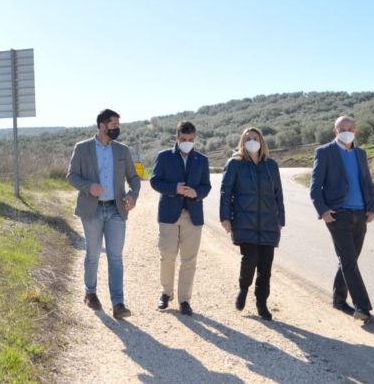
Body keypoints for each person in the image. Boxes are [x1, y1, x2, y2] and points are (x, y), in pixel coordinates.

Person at [67, 108, 141, 319]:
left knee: (115, 257)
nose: (117, 129)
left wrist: (133, 195)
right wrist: (88, 186)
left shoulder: (122, 150)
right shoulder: (82, 149)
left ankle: (118, 303)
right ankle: (90, 293)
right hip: (92, 210)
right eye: (114, 125)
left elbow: (134, 178)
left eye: (118, 125)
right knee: (93, 254)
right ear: (102, 125)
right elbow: (71, 176)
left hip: (117, 210)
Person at [310, 115, 374, 322]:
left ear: (355, 129)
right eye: (342, 128)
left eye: (350, 127)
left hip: (361, 214)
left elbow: (368, 183)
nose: (346, 131)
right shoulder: (324, 152)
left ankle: (339, 300)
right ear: (335, 131)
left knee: (349, 260)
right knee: (349, 260)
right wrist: (323, 211)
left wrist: (372, 208)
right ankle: (362, 307)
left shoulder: (361, 153)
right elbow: (315, 186)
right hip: (337, 215)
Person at [219, 127, 285, 321]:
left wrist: (280, 219)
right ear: (242, 142)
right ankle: (243, 288)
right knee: (250, 259)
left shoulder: (271, 165)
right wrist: (225, 218)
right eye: (247, 138)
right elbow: (225, 192)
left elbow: (278, 194)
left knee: (266, 267)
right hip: (244, 220)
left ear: (261, 141)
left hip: (268, 221)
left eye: (255, 138)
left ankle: (262, 303)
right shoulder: (234, 164)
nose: (252, 141)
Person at [149, 120, 211, 316]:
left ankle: (185, 300)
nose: (187, 142)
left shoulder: (201, 159)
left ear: (195, 138)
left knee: (189, 260)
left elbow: (206, 186)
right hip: (168, 215)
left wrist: (196, 192)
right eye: (183, 139)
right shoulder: (164, 157)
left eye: (190, 139)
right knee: (167, 256)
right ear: (176, 138)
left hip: (192, 216)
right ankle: (166, 294)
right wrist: (174, 188)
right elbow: (154, 181)